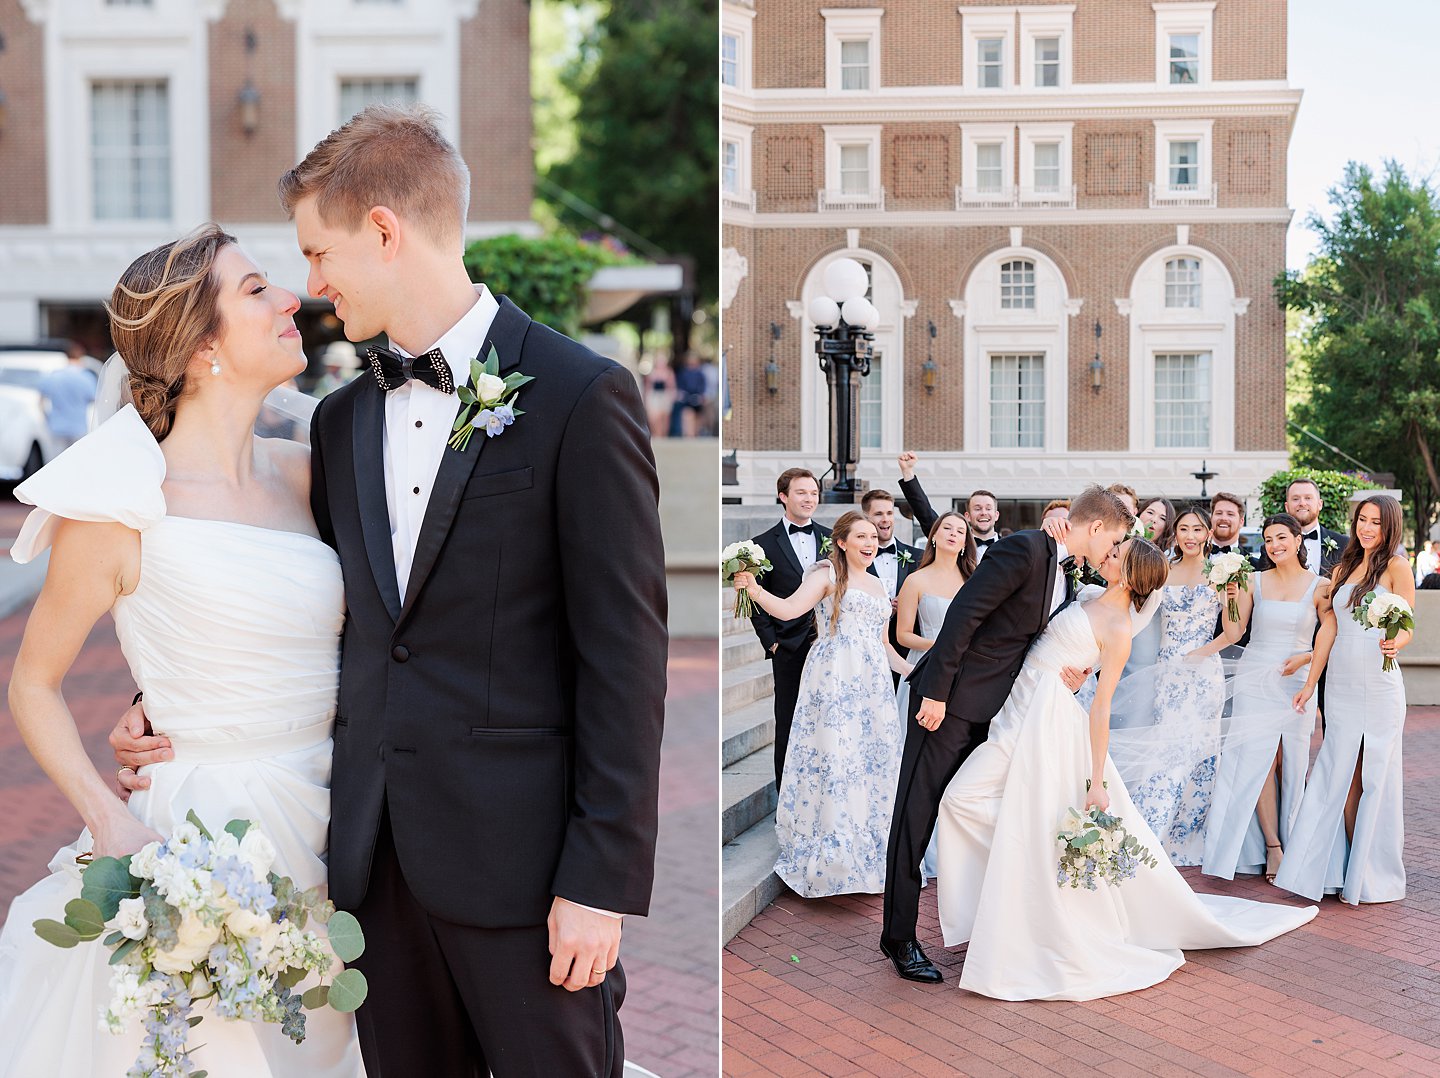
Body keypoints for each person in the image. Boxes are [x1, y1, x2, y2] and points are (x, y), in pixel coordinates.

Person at [115, 106, 667, 1077]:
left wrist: (600, 881)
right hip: (373, 877)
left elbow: (625, 660)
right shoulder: (339, 423)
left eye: (317, 252)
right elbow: (313, 605)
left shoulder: (581, 396)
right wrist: (160, 698)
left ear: (382, 230)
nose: (311, 284)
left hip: (529, 878)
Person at [0, 226, 364, 1074]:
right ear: (203, 346)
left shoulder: (309, 472)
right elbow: (33, 683)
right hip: (201, 838)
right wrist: (109, 817)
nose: (290, 299)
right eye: (256, 289)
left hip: (337, 815)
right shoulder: (120, 506)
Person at [932, 538, 1318, 1002]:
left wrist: (1096, 781)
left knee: (966, 801)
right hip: (1017, 706)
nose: (1109, 554)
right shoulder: (1086, 594)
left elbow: (1101, 707)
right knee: (968, 803)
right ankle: (1014, 883)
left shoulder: (1119, 628)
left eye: (1118, 554)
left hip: (1047, 721)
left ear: (1132, 574)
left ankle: (1026, 896)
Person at [878, 485, 1127, 985]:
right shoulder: (1025, 548)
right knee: (915, 815)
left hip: (994, 711)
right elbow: (964, 614)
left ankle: (992, 922)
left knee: (983, 808)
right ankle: (898, 937)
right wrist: (936, 693)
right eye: (1115, 539)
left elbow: (1035, 638)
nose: (1113, 550)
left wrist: (1079, 669)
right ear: (1097, 527)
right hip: (947, 702)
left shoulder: (1065, 570)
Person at [734, 513, 910, 897]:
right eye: (860, 536)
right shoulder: (827, 573)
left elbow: (883, 643)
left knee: (869, 762)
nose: (870, 542)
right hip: (835, 679)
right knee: (836, 759)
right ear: (842, 542)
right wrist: (754, 590)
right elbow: (788, 610)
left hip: (873, 687)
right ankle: (834, 857)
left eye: (873, 536)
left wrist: (914, 671)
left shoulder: (878, 583)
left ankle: (868, 853)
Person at [1277, 495, 1412, 905]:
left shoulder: (1397, 566)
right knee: (1341, 774)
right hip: (1340, 685)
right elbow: (1328, 631)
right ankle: (1339, 869)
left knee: (1373, 777)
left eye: (1376, 522)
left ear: (1390, 527)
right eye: (1362, 520)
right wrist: (1310, 682)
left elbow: (1408, 622)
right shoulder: (1342, 568)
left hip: (1379, 682)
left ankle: (1369, 875)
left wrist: (1397, 643)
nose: (1367, 528)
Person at [1202, 514, 1326, 884]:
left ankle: (1295, 844)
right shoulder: (1252, 580)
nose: (1274, 545)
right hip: (1255, 677)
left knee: (1293, 762)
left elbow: (1331, 637)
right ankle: (1272, 846)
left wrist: (1306, 659)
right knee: (1257, 762)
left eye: (1281, 537)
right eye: (1268, 540)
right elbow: (1235, 631)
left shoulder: (1321, 586)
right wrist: (1229, 601)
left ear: (1298, 540)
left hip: (1298, 680)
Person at [1108, 506, 1230, 866]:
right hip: (1167, 673)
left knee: (1200, 752)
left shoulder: (1223, 573)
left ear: (1208, 534)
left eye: (1197, 529)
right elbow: (1141, 616)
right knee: (1167, 748)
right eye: (1184, 529)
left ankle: (1185, 836)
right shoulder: (1165, 570)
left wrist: (1199, 654)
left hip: (1204, 675)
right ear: (1175, 534)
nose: (1190, 536)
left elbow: (1234, 631)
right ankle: (1149, 830)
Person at [893, 511, 976, 881]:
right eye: (947, 528)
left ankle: (955, 850)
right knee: (918, 762)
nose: (953, 534)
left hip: (965, 679)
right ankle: (917, 848)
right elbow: (903, 635)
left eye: (960, 531)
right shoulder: (916, 579)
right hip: (925, 671)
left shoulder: (974, 580)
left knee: (956, 764)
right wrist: (943, 648)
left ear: (965, 542)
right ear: (934, 535)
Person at [747, 468, 831, 790]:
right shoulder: (762, 545)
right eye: (801, 492)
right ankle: (786, 795)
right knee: (789, 722)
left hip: (829, 647)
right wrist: (772, 643)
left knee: (825, 722)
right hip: (788, 648)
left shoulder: (833, 539)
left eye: (813, 493)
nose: (809, 499)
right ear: (783, 496)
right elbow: (754, 600)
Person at [862, 488, 920, 685]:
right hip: (867, 649)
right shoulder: (855, 560)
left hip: (907, 649)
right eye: (878, 514)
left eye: (889, 513)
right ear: (866, 517)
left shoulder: (917, 557)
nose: (885, 519)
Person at [1259, 478, 1347, 576]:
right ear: (1287, 507)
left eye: (1308, 498)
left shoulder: (1344, 544)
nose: (1302, 503)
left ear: (1320, 504)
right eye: (1295, 499)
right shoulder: (1272, 549)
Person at [37, 340, 99, 450]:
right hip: (78, 428)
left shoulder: (54, 376)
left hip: (57, 427)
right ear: (81, 358)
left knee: (57, 457)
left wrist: (48, 418)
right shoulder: (86, 378)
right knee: (77, 457)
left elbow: (41, 402)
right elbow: (94, 400)